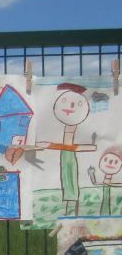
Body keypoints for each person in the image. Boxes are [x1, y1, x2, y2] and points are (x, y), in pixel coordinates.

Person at [37, 83, 96, 216]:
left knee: (70, 176)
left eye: (78, 104)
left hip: (69, 155)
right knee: (68, 177)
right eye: (65, 101)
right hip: (66, 155)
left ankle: (72, 210)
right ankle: (69, 210)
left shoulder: (74, 124)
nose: (71, 106)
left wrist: (48, 145)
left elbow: (70, 146)